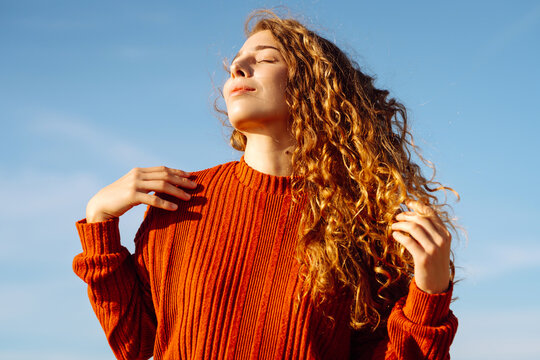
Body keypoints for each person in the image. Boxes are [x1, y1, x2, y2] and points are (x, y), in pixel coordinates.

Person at [73, 9, 458, 360]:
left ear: (314, 86)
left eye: (267, 59)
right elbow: (136, 346)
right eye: (235, 64)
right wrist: (99, 222)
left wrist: (430, 291)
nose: (238, 67)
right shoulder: (180, 201)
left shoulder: (358, 222)